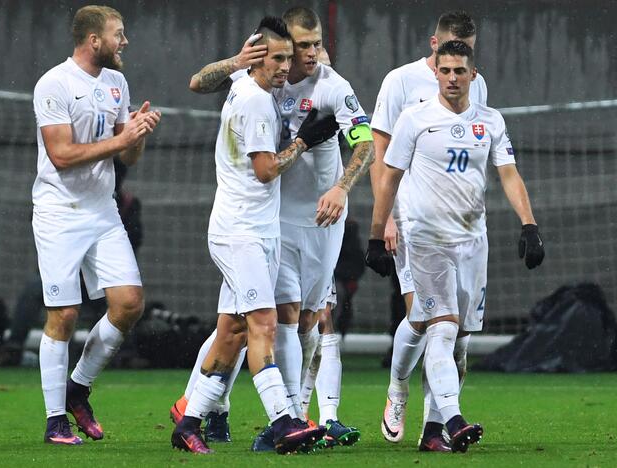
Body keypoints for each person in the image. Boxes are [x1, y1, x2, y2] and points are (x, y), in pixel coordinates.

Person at [171, 6, 374, 451]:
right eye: (300, 48)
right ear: (270, 52)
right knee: (272, 319)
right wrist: (236, 59)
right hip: (265, 221)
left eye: (317, 43)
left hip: (318, 222)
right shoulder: (257, 84)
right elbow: (198, 84)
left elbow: (366, 143)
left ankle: (192, 413)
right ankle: (288, 419)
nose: (311, 55)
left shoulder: (333, 88)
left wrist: (342, 187)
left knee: (268, 324)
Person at [366, 40, 545, 453]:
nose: (451, 78)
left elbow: (509, 174)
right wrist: (379, 233)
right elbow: (389, 177)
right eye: (444, 71)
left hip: (472, 241)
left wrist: (529, 225)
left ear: (472, 75)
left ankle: (432, 430)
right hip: (425, 238)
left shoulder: (491, 121)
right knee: (442, 328)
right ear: (436, 74)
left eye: (459, 71)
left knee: (458, 340)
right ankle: (448, 415)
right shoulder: (414, 119)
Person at [31, 5, 161, 445]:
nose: (124, 42)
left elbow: (126, 156)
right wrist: (121, 139)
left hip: (102, 210)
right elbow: (62, 155)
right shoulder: (54, 83)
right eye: (118, 34)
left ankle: (78, 388)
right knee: (64, 315)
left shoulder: (116, 82)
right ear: (93, 41)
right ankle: (55, 421)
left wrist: (136, 136)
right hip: (58, 213)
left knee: (129, 303)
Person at [369, 10, 488, 451]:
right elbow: (381, 152)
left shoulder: (476, 84)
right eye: (452, 51)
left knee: (450, 333)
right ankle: (408, 399)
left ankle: (431, 429)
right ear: (432, 44)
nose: (459, 68)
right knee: (434, 321)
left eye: (469, 55)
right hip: (415, 224)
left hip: (464, 233)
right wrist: (389, 219)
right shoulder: (399, 81)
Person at [0, 157, 142, 368]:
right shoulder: (60, 199)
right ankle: (13, 347)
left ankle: (126, 354)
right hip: (66, 272)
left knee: (128, 297)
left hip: (102, 278)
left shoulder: (128, 205)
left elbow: (131, 245)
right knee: (35, 288)